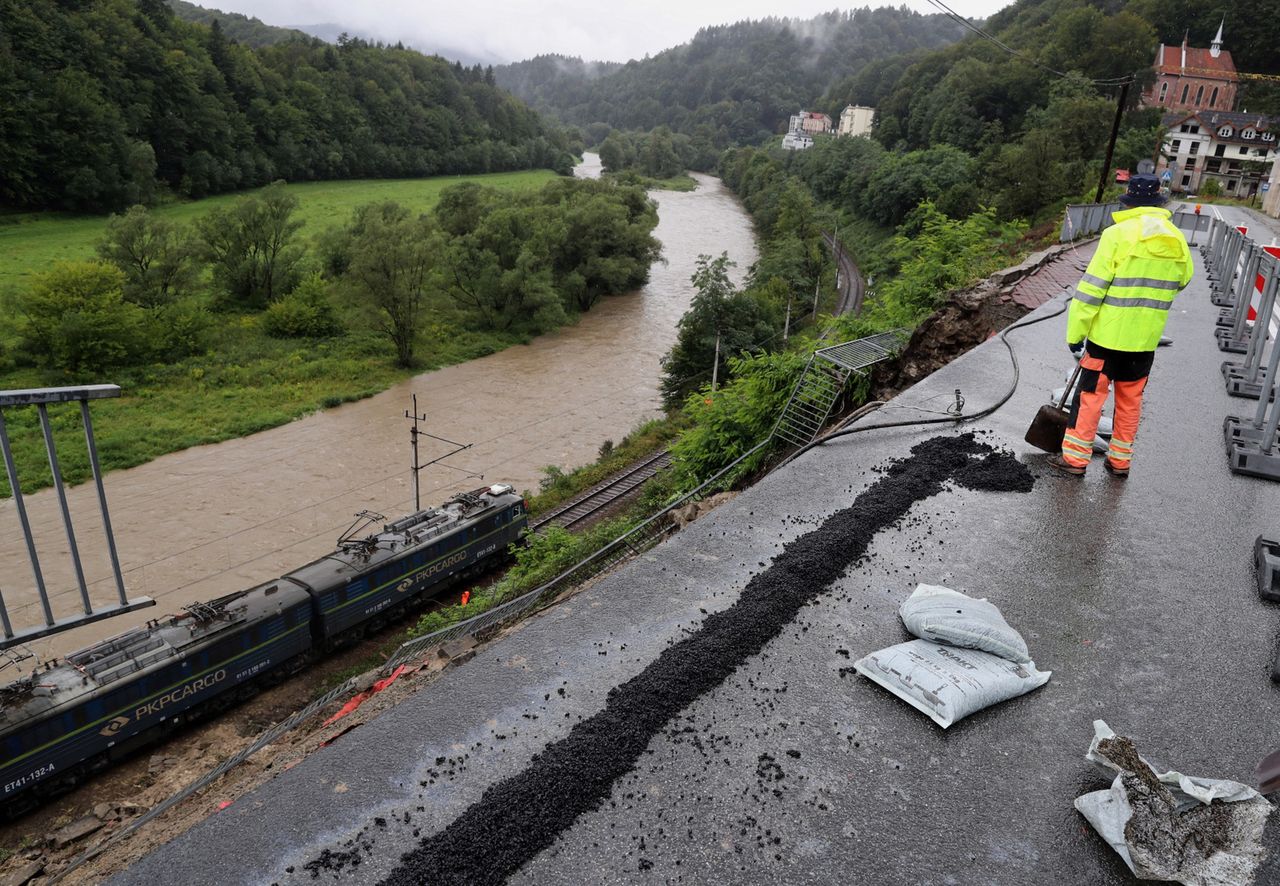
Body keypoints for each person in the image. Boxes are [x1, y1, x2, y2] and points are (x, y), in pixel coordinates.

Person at [1048, 173, 1194, 478]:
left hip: (1106, 339)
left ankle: (1074, 460)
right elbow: (1184, 279)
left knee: (1090, 399)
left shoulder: (1117, 235)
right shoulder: (1176, 238)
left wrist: (1076, 334)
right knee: (1130, 402)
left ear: (1128, 199)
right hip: (1144, 342)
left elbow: (1090, 291)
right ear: (1158, 199)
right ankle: (1120, 462)